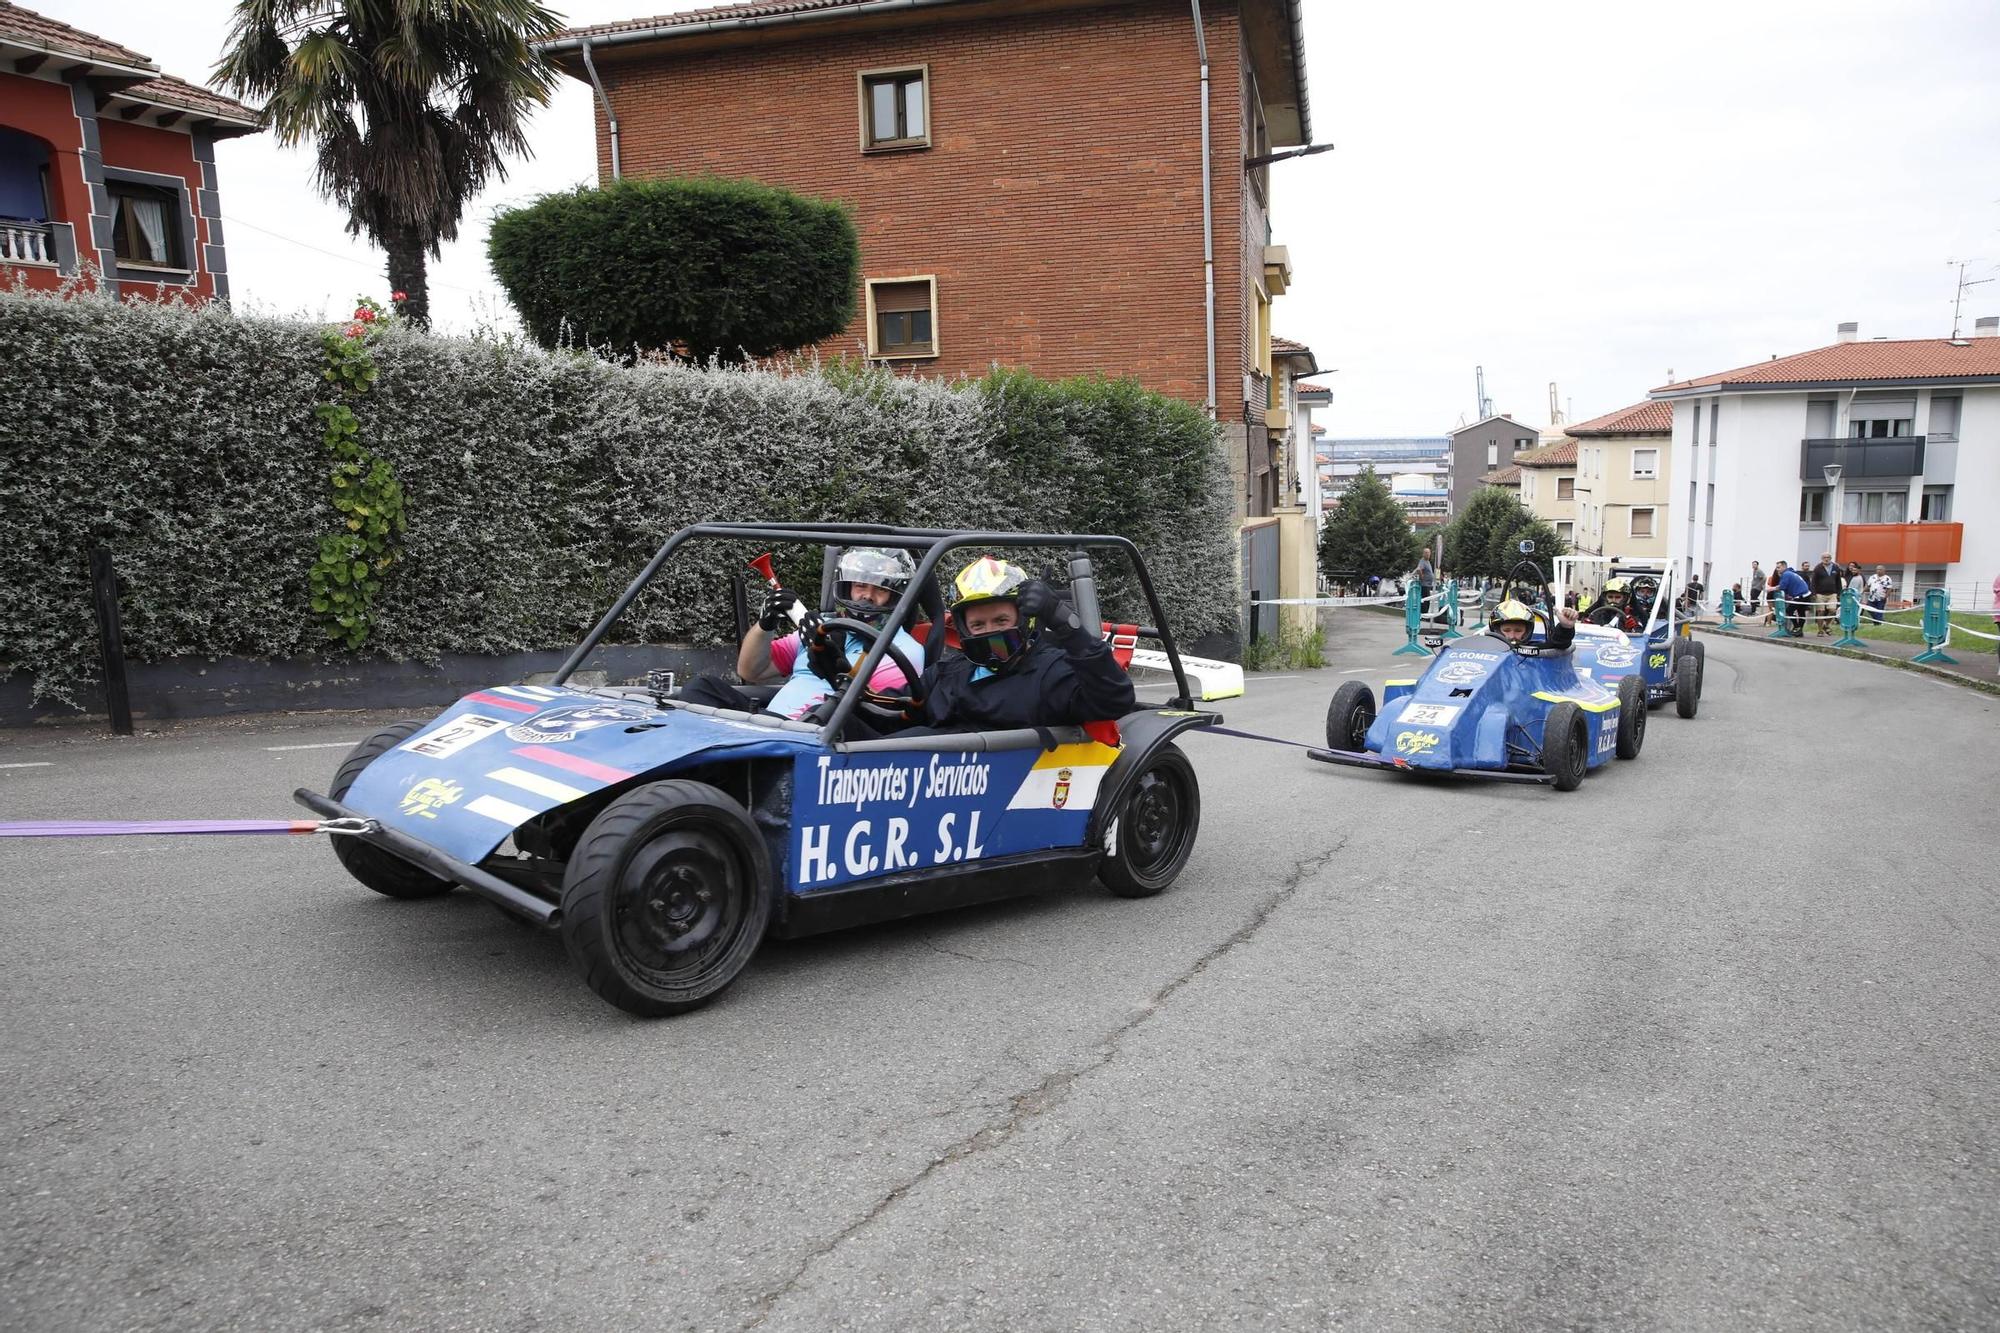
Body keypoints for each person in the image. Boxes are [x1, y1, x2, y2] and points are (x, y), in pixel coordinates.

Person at [680, 547, 923, 720]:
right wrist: (766, 623)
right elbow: (750, 671)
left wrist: (828, 658)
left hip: (817, 732)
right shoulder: (823, 626)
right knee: (701, 688)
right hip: (769, 723)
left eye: (879, 589)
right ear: (847, 587)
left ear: (895, 595)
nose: (867, 596)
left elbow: (866, 710)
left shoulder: (904, 650)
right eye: (860, 585)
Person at [909, 556, 1135, 732]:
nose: (990, 632)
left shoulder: (1052, 673)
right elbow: (895, 707)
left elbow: (1114, 700)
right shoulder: (947, 671)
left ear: (1023, 620)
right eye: (978, 625)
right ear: (964, 628)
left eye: (1000, 621)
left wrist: (1064, 622)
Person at [1490, 597, 1576, 650]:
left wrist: (1565, 627)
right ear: (1496, 630)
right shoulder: (1485, 649)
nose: (1512, 636)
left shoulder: (1535, 650)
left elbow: (1559, 644)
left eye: (1518, 631)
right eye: (1506, 630)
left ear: (1528, 631)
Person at [1775, 560, 1812, 636]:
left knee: (1789, 611)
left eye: (1779, 567)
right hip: (1805, 594)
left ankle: (1797, 627)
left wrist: (1771, 588)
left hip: (1801, 595)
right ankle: (1799, 631)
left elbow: (1782, 587)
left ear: (1784, 567)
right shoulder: (1791, 573)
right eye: (1776, 567)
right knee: (1801, 612)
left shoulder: (1786, 574)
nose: (1777, 569)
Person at [1809, 552, 1843, 635]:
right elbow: (1813, 581)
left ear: (1830, 558)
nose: (1826, 559)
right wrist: (1813, 593)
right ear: (1822, 558)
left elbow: (1838, 581)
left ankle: (1826, 625)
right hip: (1820, 593)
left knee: (1833, 610)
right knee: (1821, 611)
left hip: (1832, 593)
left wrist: (1839, 592)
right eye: (1824, 557)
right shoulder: (1818, 568)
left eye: (1828, 557)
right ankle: (1820, 630)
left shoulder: (1835, 567)